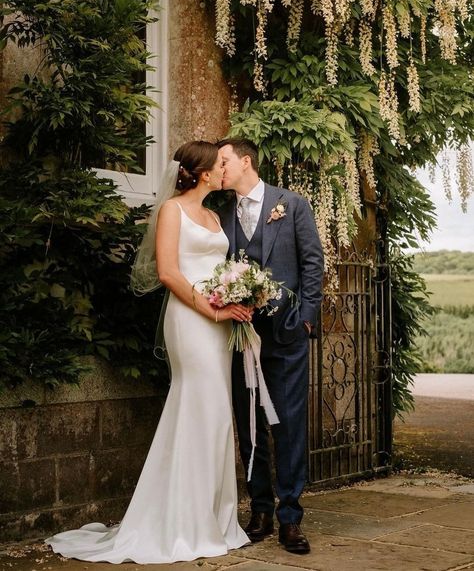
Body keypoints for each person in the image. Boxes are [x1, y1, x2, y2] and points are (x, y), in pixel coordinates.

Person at [45, 141, 251, 564]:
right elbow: (167, 272)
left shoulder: (214, 215)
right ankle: (183, 523)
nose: (223, 170)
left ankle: (213, 517)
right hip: (191, 320)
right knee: (199, 403)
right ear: (203, 172)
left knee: (215, 413)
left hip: (218, 321)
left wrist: (235, 294)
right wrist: (212, 309)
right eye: (218, 164)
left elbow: (220, 268)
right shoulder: (171, 211)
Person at [217, 138, 324, 554]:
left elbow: (312, 262)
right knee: (248, 424)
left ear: (246, 162)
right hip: (239, 337)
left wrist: (307, 319)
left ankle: (291, 517)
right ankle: (259, 509)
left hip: (286, 335)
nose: (218, 168)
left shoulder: (291, 204)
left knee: (289, 424)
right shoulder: (219, 213)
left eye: (223, 161)